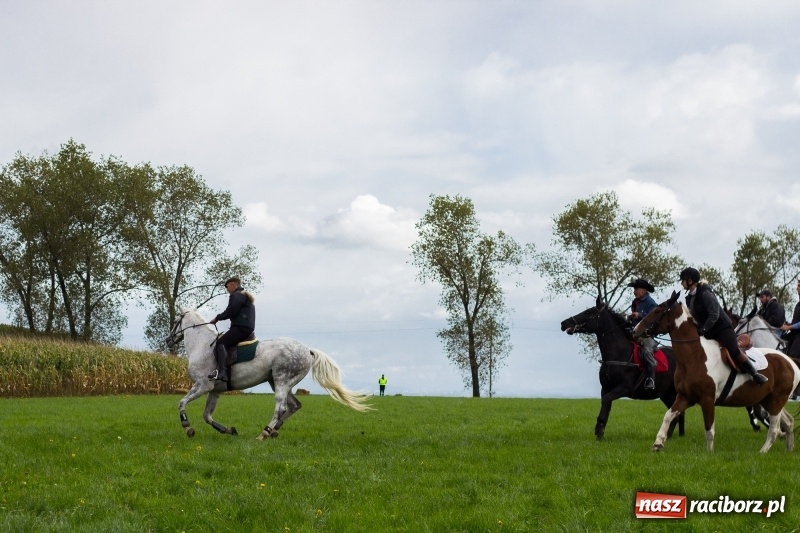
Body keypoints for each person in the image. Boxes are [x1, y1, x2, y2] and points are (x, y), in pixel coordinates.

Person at [680, 267, 767, 385]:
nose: (681, 283)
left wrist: (704, 328)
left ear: (690, 281)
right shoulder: (689, 297)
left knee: (733, 350)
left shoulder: (705, 293)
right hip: (708, 330)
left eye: (683, 280)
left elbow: (714, 314)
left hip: (722, 328)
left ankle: (754, 373)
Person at [208, 277, 256, 382]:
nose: (227, 290)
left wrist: (217, 318)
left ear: (234, 285)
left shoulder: (236, 295)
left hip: (241, 327)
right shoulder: (244, 296)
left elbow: (231, 311)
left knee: (221, 343)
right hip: (246, 327)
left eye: (228, 287)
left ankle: (222, 373)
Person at [626, 278, 658, 390]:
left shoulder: (651, 303)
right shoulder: (635, 302)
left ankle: (651, 378)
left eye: (636, 288)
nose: (634, 291)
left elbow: (654, 317)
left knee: (646, 351)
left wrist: (639, 315)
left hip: (646, 334)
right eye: (634, 289)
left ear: (643, 291)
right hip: (634, 331)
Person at [779, 279, 800, 358]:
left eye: (799, 286)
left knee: (792, 356)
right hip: (794, 334)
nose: (797, 288)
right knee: (778, 343)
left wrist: (789, 327)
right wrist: (789, 324)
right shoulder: (798, 305)